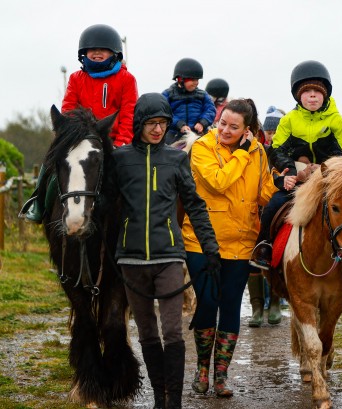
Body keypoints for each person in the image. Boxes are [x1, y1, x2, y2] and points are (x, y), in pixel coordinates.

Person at [112, 93, 221, 409]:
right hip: (130, 261)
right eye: (151, 124)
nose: (158, 130)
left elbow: (195, 206)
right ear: (139, 125)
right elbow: (106, 207)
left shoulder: (176, 159)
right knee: (147, 333)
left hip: (170, 258)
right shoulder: (120, 160)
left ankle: (174, 403)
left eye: (162, 123)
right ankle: (159, 399)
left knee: (172, 332)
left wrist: (211, 250)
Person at [180, 98, 277, 397]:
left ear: (247, 130)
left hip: (242, 241)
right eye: (222, 122)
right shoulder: (202, 148)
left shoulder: (257, 150)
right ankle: (203, 369)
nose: (224, 130)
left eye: (233, 127)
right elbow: (218, 182)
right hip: (202, 241)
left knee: (231, 305)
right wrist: (243, 155)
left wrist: (282, 182)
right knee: (208, 301)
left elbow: (263, 194)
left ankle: (221, 375)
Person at [21, 23, 138, 223]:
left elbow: (129, 114)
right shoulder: (76, 78)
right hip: (81, 139)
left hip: (113, 140)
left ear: (115, 53)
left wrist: (122, 143)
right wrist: (69, 136)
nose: (97, 53)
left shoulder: (127, 79)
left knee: (135, 173)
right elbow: (67, 109)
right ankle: (38, 206)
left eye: (103, 50)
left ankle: (139, 217)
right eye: (92, 50)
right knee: (49, 162)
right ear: (84, 54)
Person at [249, 60, 342, 270]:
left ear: (325, 94)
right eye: (307, 91)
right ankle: (264, 246)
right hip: (297, 180)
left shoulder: (337, 122)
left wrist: (323, 170)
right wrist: (296, 171)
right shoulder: (289, 121)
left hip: (328, 181)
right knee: (273, 205)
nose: (312, 95)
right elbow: (276, 151)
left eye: (317, 91)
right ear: (298, 95)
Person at [247, 105, 287, 327]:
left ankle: (274, 303)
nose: (272, 136)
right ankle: (256, 308)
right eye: (269, 132)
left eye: (276, 132)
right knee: (253, 259)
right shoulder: (259, 151)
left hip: (276, 211)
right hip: (255, 209)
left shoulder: (285, 152)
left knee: (275, 257)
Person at [162, 58, 216, 144]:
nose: (196, 83)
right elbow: (164, 113)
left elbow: (210, 109)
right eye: (193, 79)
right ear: (180, 79)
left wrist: (202, 123)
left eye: (197, 80)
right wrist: (179, 124)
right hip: (175, 134)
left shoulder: (203, 95)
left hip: (198, 133)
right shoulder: (168, 94)